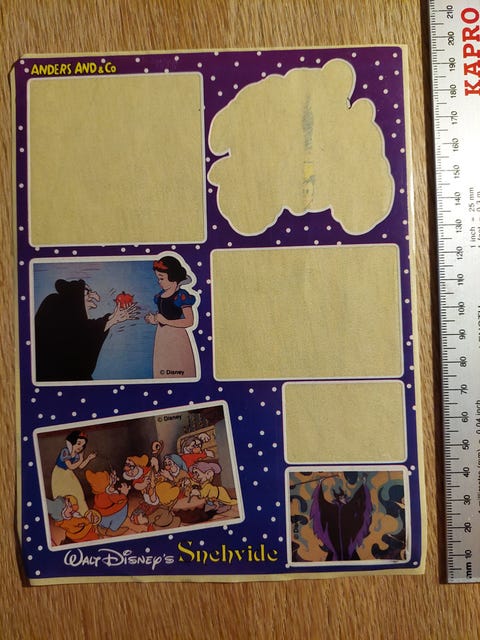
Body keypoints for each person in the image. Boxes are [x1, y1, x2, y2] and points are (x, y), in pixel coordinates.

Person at [35, 278, 137, 381]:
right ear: (76, 298)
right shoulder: (56, 311)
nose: (94, 294)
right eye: (88, 292)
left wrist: (114, 318)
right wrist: (113, 319)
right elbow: (83, 334)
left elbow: (88, 329)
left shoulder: (75, 321)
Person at [144, 256, 198, 379]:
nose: (159, 282)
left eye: (162, 278)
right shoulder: (160, 296)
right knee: (163, 365)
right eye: (158, 278)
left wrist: (166, 321)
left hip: (177, 336)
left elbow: (189, 321)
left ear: (173, 277)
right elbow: (162, 317)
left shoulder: (181, 296)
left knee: (178, 363)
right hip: (162, 336)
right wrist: (154, 320)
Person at [51, 430, 96, 515]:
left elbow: (80, 466)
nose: (80, 447)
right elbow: (70, 466)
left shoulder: (77, 455)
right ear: (72, 442)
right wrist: (81, 459)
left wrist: (88, 458)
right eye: (78, 443)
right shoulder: (65, 451)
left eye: (82, 445)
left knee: (77, 492)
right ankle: (66, 514)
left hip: (69, 474)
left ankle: (83, 513)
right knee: (62, 494)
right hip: (59, 474)